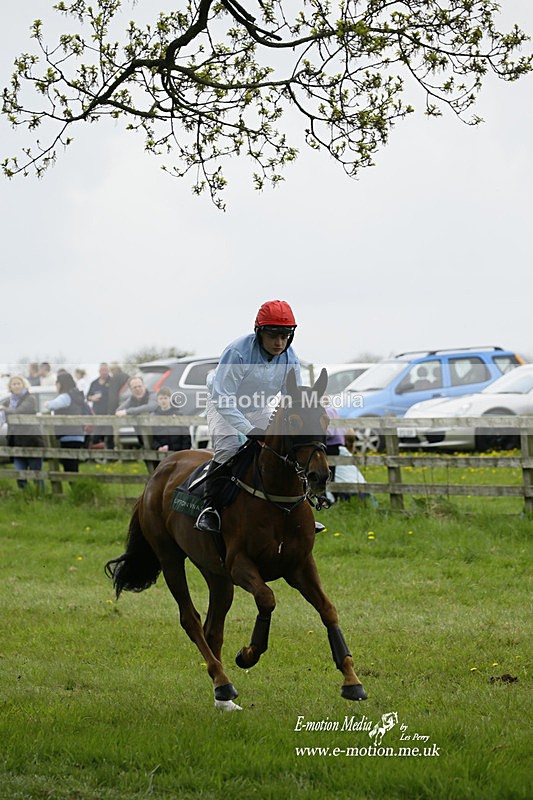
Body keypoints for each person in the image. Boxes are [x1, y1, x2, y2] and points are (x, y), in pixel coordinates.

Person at [195, 299, 323, 534]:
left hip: (259, 406)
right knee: (229, 448)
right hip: (224, 403)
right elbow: (224, 398)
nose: (279, 342)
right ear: (259, 333)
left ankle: (300, 506)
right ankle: (210, 508)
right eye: (273, 336)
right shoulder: (238, 352)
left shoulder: (290, 356)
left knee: (285, 445)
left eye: (285, 336)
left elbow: (293, 396)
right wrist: (248, 429)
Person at [1, 375, 44, 490]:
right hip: (16, 441)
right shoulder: (9, 401)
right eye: (14, 384)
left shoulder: (30, 399)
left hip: (31, 440)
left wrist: (4, 409)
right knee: (19, 473)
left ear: (23, 384)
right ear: (10, 386)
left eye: (18, 383)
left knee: (36, 473)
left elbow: (18, 412)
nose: (16, 386)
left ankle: (41, 494)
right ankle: (25, 495)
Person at [45, 372, 86, 472]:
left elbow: (52, 405)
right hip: (78, 434)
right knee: (73, 465)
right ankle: (77, 486)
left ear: (60, 384)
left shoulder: (66, 396)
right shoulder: (76, 394)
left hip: (68, 434)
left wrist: (46, 403)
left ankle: (75, 485)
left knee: (69, 466)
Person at [116, 375, 158, 448]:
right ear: (131, 389)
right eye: (135, 387)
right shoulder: (131, 399)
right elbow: (119, 411)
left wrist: (129, 411)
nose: (138, 389)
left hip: (157, 433)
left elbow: (151, 406)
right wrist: (127, 412)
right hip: (140, 433)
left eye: (140, 386)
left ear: (144, 386)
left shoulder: (152, 394)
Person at [151, 387, 192, 452]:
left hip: (179, 450)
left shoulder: (178, 414)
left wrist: (184, 450)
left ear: (170, 399)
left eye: (165, 398)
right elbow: (152, 437)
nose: (163, 401)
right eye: (161, 398)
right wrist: (158, 447)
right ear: (157, 401)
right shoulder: (154, 417)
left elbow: (186, 434)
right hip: (163, 451)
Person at [87, 363, 111, 446]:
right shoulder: (94, 383)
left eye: (106, 370)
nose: (104, 372)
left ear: (108, 371)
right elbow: (87, 396)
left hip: (109, 413)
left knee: (109, 435)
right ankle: (95, 455)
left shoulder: (112, 381)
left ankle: (110, 456)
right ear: (99, 371)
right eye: (102, 370)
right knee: (96, 435)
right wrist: (92, 398)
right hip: (97, 414)